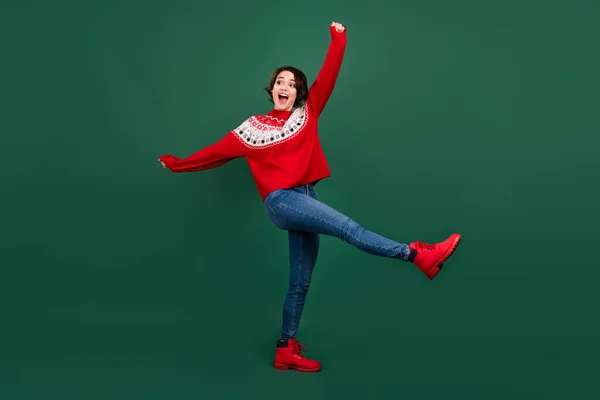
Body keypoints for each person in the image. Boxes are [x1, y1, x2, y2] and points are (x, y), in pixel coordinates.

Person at [158, 21, 461, 372]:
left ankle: (286, 348)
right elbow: (213, 153)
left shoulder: (308, 111)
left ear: (299, 92)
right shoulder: (252, 127)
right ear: (271, 89)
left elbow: (329, 74)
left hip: (306, 196)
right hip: (282, 201)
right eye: (279, 82)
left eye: (292, 83)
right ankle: (417, 255)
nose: (284, 86)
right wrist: (177, 164)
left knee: (299, 282)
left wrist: (339, 39)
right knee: (350, 229)